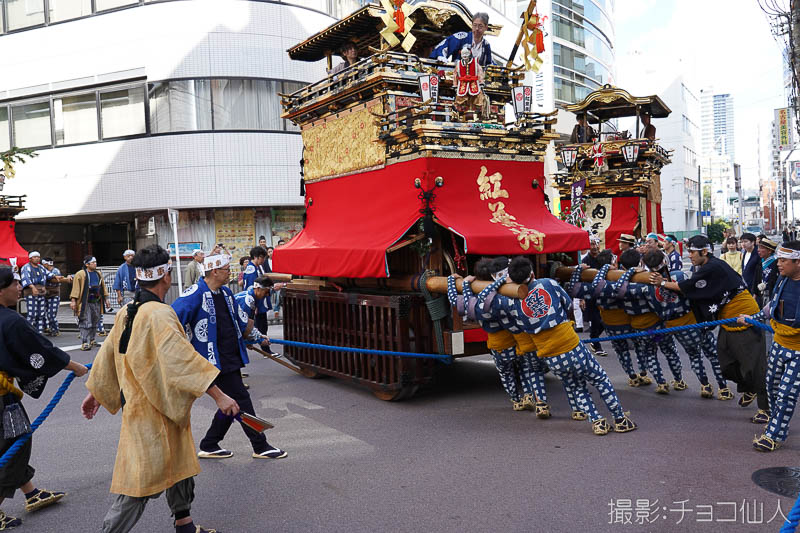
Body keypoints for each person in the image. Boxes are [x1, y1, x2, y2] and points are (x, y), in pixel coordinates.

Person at [81, 245, 235, 533]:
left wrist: (98, 391)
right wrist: (219, 395)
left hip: (149, 408)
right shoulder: (160, 314)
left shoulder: (127, 311)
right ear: (166, 276)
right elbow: (183, 360)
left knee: (180, 465)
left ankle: (184, 524)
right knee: (139, 482)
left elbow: (110, 353)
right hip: (154, 411)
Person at [480, 257, 637, 435]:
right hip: (571, 346)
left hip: (550, 356)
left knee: (576, 387)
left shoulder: (509, 302)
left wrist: (500, 282)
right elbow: (568, 304)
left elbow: (483, 300)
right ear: (532, 273)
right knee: (600, 379)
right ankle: (619, 419)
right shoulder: (548, 283)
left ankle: (597, 421)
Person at [172, 253, 287, 460]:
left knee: (231, 402)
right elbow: (171, 320)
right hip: (211, 359)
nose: (230, 274)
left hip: (230, 355)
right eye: (226, 270)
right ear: (215, 272)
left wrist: (257, 336)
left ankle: (210, 444)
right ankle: (260, 445)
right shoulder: (195, 294)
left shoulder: (225, 292)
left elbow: (240, 321)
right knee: (241, 399)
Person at [0, 266, 89, 530]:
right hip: (2, 400)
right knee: (16, 444)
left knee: (10, 443)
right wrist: (74, 366)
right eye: (15, 284)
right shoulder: (11, 321)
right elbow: (41, 350)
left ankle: (31, 492)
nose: (20, 288)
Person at [649, 234, 769, 424]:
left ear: (704, 251)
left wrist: (662, 283)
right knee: (725, 363)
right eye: (688, 251)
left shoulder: (712, 266)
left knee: (754, 365)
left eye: (692, 252)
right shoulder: (705, 266)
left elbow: (687, 286)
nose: (690, 255)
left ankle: (765, 408)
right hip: (727, 318)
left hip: (743, 315)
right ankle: (749, 387)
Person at [447, 258, 548, 415]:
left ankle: (516, 400)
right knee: (525, 368)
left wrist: (455, 282)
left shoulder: (475, 302)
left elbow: (455, 300)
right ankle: (530, 396)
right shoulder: (502, 296)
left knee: (506, 373)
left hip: (498, 344)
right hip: (515, 339)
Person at [637, 250, 730, 398]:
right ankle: (723, 388)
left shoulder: (645, 286)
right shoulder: (680, 275)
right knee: (712, 354)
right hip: (695, 320)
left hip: (675, 326)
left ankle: (705, 386)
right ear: (665, 261)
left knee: (694, 356)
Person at [740, 241, 800, 451]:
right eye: (778, 260)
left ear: (798, 262)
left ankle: (774, 435)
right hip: (779, 343)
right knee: (772, 388)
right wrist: (753, 318)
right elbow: (772, 306)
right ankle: (776, 423)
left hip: (798, 351)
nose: (778, 264)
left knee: (786, 393)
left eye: (783, 260)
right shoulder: (782, 280)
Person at [565, 252, 646, 388]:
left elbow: (573, 289)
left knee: (622, 351)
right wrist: (630, 271)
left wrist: (579, 270)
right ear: (613, 264)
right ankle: (643, 373)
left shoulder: (594, 285)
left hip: (611, 324)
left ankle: (633, 374)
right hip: (630, 323)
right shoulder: (628, 281)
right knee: (638, 347)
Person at [613, 249, 682, 394]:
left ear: (622, 266)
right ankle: (679, 380)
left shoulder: (618, 285)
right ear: (640, 263)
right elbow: (659, 305)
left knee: (650, 354)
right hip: (657, 326)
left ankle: (661, 383)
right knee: (669, 350)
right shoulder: (648, 281)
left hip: (640, 328)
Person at [70, 256, 109, 351]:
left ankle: (92, 340)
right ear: (87, 264)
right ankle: (84, 341)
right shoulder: (80, 274)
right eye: (93, 262)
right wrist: (73, 301)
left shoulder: (98, 273)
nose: (95, 264)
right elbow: (75, 289)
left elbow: (103, 287)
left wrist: (106, 299)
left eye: (95, 262)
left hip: (96, 300)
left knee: (95, 320)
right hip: (85, 302)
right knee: (85, 321)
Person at [580, 237, 606, 356]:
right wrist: (582, 298)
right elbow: (582, 280)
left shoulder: (604, 258)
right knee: (595, 320)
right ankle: (596, 344)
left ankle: (593, 339)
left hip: (605, 292)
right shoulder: (585, 261)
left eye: (596, 244)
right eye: (592, 244)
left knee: (606, 320)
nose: (594, 247)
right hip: (590, 294)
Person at [41, 258, 72, 337]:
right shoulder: (42, 270)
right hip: (44, 294)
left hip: (54, 295)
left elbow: (55, 280)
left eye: (43, 264)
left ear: (46, 264)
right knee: (42, 313)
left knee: (51, 314)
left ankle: (55, 329)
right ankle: (46, 327)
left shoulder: (55, 271)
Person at [20, 252, 47, 334]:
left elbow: (47, 275)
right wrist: (33, 287)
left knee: (41, 314)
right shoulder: (26, 267)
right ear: (30, 259)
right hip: (30, 292)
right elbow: (25, 278)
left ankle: (39, 332)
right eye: (35, 257)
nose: (37, 258)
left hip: (41, 292)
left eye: (38, 257)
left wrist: (56, 277)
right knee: (31, 314)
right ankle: (29, 333)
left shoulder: (41, 267)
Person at [757, 237, 779, 305]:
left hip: (772, 294)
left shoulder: (776, 262)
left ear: (769, 251)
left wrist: (767, 285)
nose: (758, 250)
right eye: (758, 247)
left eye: (761, 248)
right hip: (761, 294)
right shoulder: (760, 262)